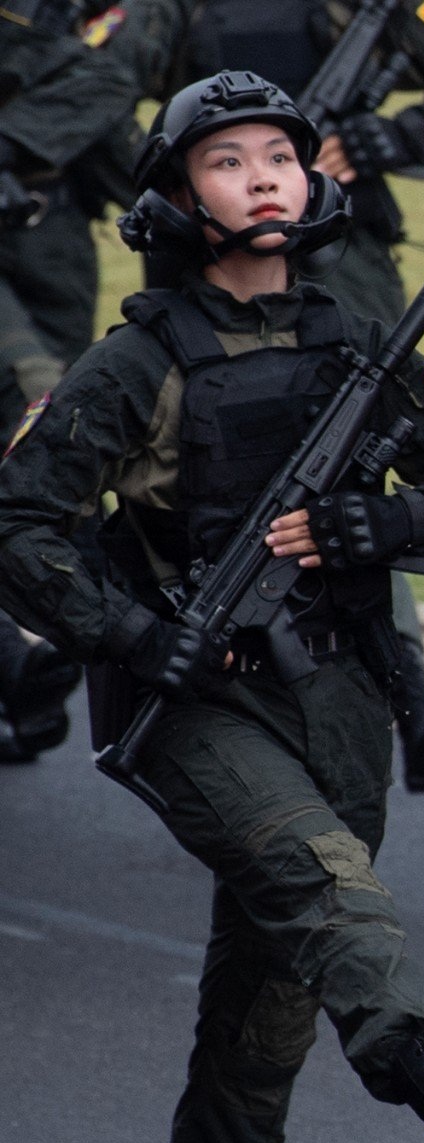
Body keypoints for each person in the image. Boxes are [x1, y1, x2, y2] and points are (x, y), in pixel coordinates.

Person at [0, 73, 424, 1143]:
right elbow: (18, 524)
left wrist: (389, 526)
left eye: (281, 156)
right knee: (327, 889)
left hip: (341, 699)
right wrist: (130, 635)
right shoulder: (135, 361)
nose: (261, 178)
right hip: (197, 706)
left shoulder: (361, 338)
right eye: (226, 161)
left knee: (269, 999)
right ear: (176, 196)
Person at [129, 0, 424, 792]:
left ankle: (403, 686)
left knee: (350, 463)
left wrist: (395, 138)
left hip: (341, 259)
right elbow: (99, 82)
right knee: (209, 463)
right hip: (204, 262)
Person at [0, 1, 155, 762]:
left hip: (48, 240)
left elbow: (103, 90)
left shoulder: (85, 43)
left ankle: (33, 679)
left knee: (45, 431)